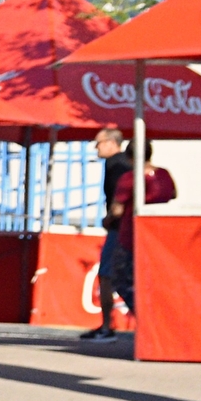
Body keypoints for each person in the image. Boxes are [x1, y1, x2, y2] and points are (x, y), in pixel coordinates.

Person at [85, 125, 134, 339]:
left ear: (112, 143)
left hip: (119, 229)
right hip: (127, 228)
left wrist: (109, 218)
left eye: (99, 142)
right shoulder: (121, 165)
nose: (96, 147)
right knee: (122, 276)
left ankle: (107, 327)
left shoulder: (117, 166)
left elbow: (118, 201)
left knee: (108, 275)